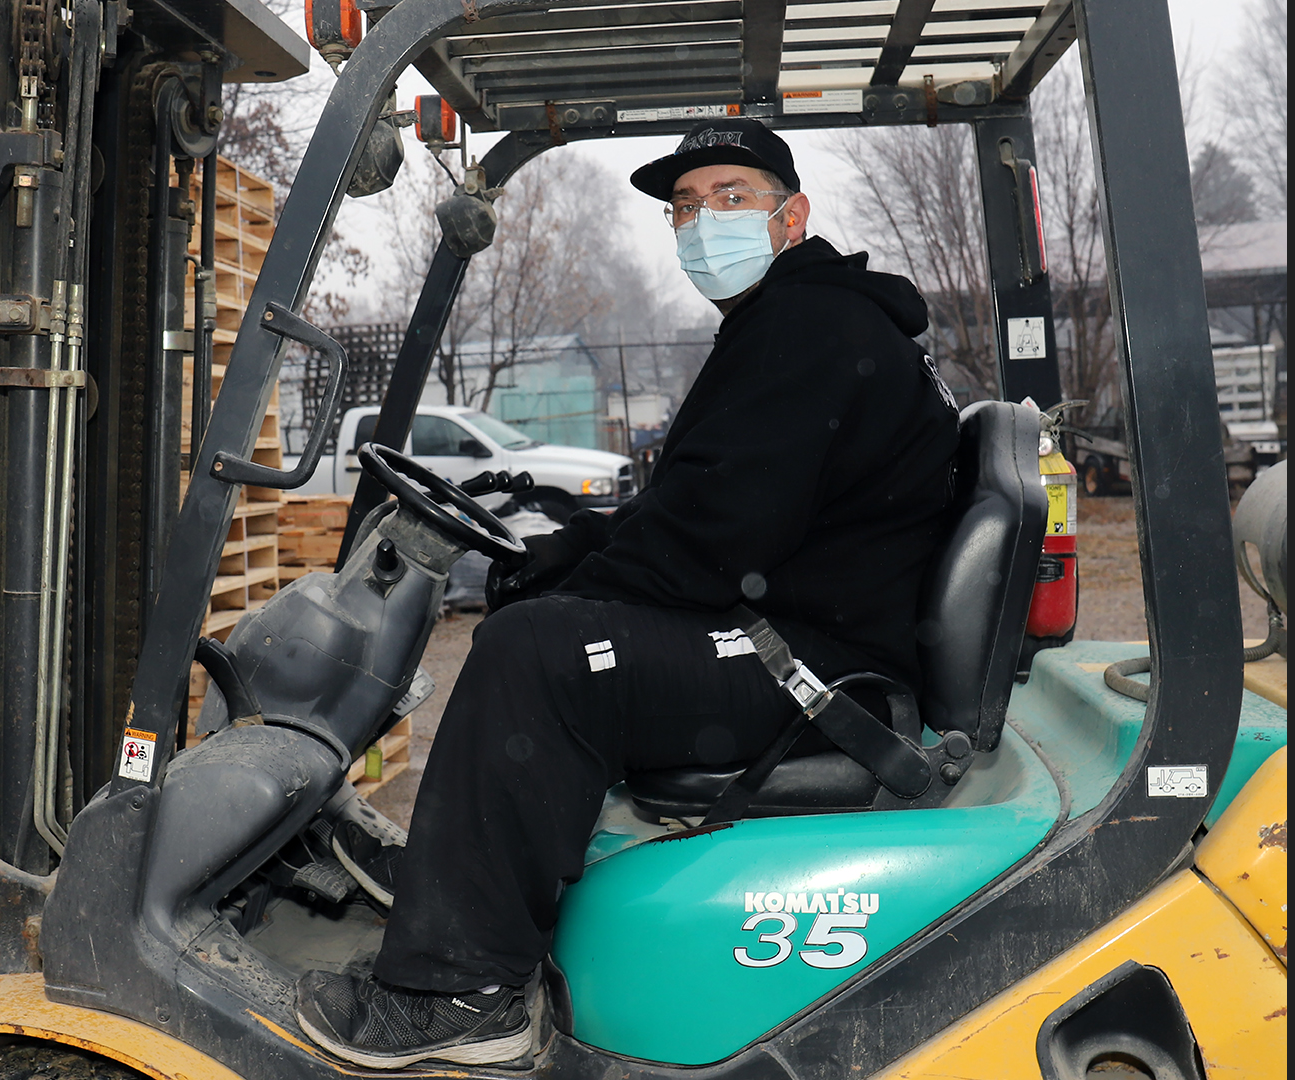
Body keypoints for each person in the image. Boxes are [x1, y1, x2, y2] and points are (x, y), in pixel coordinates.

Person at [296, 118, 963, 1070]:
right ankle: (466, 885)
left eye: (731, 197)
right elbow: (698, 504)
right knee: (548, 625)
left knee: (538, 656)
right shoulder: (798, 320)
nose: (702, 223)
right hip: (802, 629)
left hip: (816, 671)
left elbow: (712, 545)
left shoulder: (811, 326)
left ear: (793, 215)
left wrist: (561, 587)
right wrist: (564, 557)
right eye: (686, 208)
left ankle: (464, 993)